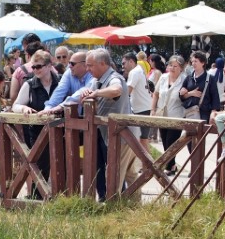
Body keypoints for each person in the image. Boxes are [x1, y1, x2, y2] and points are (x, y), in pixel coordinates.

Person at [79, 48, 140, 200]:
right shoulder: (96, 80)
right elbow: (86, 91)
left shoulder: (114, 77)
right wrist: (86, 91)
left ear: (103, 64)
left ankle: (113, 209)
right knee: (130, 174)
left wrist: (96, 93)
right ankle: (133, 208)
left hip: (124, 137)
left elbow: (116, 89)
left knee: (115, 175)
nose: (87, 69)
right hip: (117, 135)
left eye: (90, 65)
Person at [11, 49, 59, 195]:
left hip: (59, 131)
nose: (35, 70)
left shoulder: (61, 81)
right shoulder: (29, 84)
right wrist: (24, 108)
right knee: (39, 165)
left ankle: (61, 196)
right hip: (37, 132)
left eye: (39, 66)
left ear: (49, 65)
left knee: (61, 163)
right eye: (33, 67)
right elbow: (16, 105)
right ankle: (37, 197)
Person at [151, 54, 188, 175]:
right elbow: (156, 94)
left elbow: (187, 95)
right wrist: (153, 110)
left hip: (176, 114)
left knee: (171, 141)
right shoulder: (163, 77)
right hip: (162, 113)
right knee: (165, 141)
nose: (172, 68)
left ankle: (168, 165)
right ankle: (172, 165)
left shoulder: (185, 79)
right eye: (170, 65)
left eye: (175, 66)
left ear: (181, 68)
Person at [124, 52, 153, 152]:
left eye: (124, 63)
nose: (123, 66)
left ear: (131, 61)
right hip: (144, 107)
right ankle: (146, 166)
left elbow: (128, 91)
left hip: (141, 109)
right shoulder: (139, 69)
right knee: (142, 140)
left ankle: (148, 166)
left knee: (142, 140)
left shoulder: (134, 72)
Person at [180, 51, 221, 122]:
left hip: (204, 114)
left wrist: (213, 112)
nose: (193, 63)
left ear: (203, 63)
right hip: (189, 113)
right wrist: (190, 93)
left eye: (196, 61)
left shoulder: (210, 78)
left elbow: (215, 97)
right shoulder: (188, 78)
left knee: (201, 133)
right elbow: (181, 96)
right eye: (192, 61)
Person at [9, 35, 44, 102]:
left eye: (24, 50)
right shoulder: (50, 68)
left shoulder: (19, 71)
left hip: (25, 110)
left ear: (27, 53)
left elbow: (13, 97)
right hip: (48, 109)